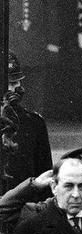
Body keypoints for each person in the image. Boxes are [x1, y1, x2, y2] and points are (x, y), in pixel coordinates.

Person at [8, 0, 61, 115]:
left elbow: (52, 21)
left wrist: (52, 47)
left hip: (37, 51)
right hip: (16, 51)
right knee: (15, 91)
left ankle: (36, 125)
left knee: (36, 93)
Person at [1, 52, 52, 194]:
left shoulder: (34, 124)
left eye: (16, 82)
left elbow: (45, 179)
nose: (14, 89)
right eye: (9, 83)